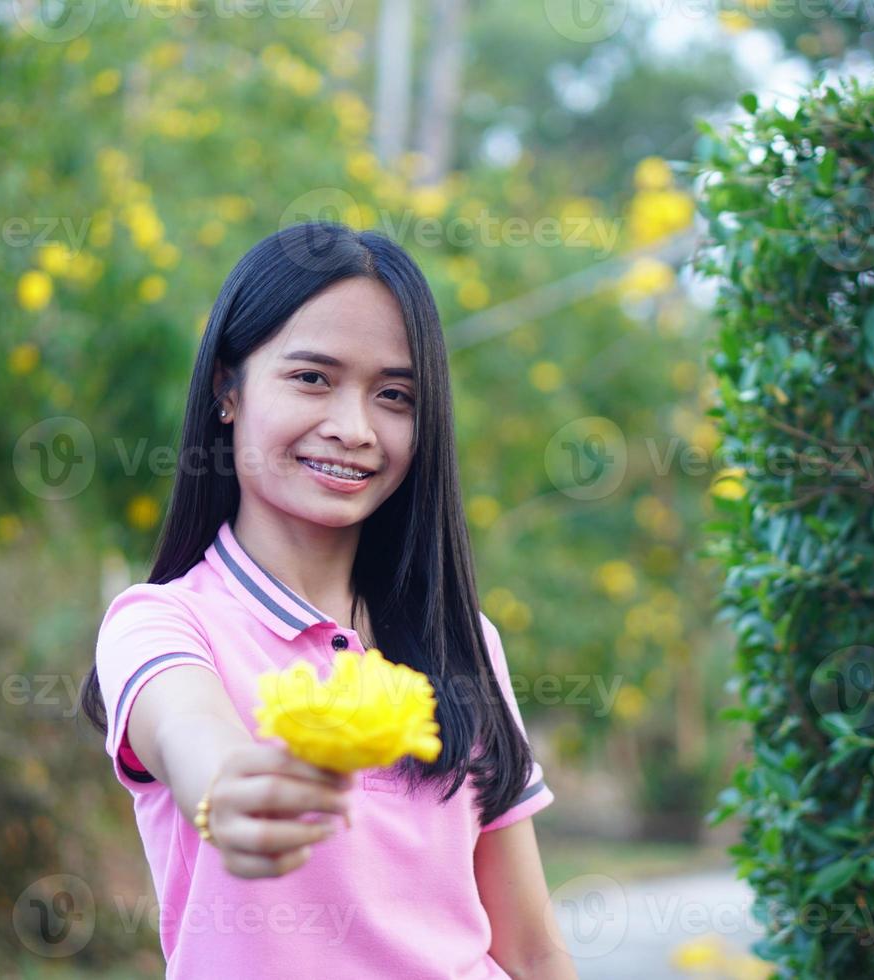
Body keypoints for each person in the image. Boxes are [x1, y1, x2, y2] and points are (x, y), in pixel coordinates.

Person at [80, 221, 575, 978]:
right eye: (312, 378)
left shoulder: (461, 639)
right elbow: (192, 735)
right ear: (227, 389)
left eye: (395, 395)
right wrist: (232, 794)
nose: (353, 428)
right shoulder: (159, 623)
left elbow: (534, 950)